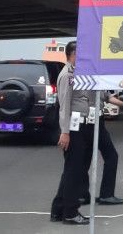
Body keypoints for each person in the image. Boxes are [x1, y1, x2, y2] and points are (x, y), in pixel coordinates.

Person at [50, 41, 97, 225]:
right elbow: (64, 105)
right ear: (73, 54)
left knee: (71, 171)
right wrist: (65, 132)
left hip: (81, 126)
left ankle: (58, 209)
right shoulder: (67, 75)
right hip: (74, 128)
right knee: (74, 172)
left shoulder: (78, 73)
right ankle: (70, 212)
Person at [80, 91, 123, 205]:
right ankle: (106, 194)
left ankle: (82, 194)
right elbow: (106, 97)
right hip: (91, 120)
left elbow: (106, 97)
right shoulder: (90, 77)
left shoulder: (89, 77)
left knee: (86, 158)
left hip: (91, 119)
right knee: (111, 156)